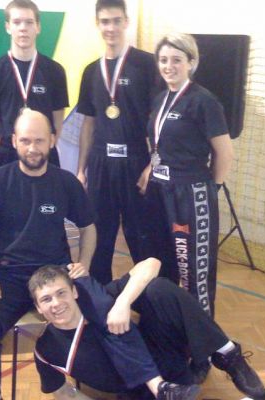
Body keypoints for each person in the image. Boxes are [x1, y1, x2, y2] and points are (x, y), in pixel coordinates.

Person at [0, 108, 96, 400]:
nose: (32, 148)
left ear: (52, 140)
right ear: (14, 141)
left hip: (53, 276)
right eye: (25, 141)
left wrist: (84, 264)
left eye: (39, 140)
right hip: (7, 276)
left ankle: (94, 384)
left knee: (101, 308)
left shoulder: (66, 182)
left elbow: (88, 228)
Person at [31, 262, 265, 400]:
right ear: (38, 308)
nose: (56, 303)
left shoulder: (98, 299)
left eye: (61, 293)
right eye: (46, 299)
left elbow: (152, 264)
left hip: (165, 362)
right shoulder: (46, 349)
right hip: (136, 393)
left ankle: (227, 354)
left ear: (74, 291)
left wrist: (123, 302)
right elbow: (62, 392)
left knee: (158, 289)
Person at [141, 32, 234, 318]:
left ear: (191, 62)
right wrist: (150, 169)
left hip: (190, 194)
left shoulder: (204, 101)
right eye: (163, 60)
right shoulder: (160, 98)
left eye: (176, 60)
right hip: (160, 190)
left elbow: (225, 152)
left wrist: (212, 188)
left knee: (193, 270)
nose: (169, 66)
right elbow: (160, 144)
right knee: (162, 262)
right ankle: (165, 327)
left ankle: (200, 339)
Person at [76, 0, 167, 285]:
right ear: (97, 24)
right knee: (99, 234)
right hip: (101, 162)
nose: (111, 27)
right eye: (105, 21)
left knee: (142, 234)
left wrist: (153, 163)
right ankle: (100, 297)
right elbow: (88, 123)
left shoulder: (147, 64)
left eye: (116, 21)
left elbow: (160, 119)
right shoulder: (91, 71)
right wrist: (81, 170)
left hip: (136, 160)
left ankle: (149, 297)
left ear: (126, 22)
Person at [0, 0, 68, 168]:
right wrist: (6, 145)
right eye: (17, 22)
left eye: (29, 22)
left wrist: (46, 143)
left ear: (38, 27)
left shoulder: (55, 71)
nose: (23, 28)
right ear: (8, 27)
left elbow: (58, 117)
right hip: (8, 152)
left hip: (44, 152)